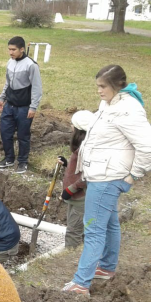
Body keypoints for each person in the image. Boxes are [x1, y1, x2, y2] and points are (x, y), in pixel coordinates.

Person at [63, 65, 151, 295]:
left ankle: (81, 282)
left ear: (117, 85)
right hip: (101, 173)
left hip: (107, 178)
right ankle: (107, 267)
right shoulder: (110, 103)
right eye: (98, 86)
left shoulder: (128, 110)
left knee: (93, 229)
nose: (99, 91)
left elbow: (147, 146)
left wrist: (134, 175)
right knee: (110, 223)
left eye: (103, 86)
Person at [0, 36, 43, 174]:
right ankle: (9, 158)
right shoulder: (10, 63)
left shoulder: (31, 65)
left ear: (22, 49)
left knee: (23, 135)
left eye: (14, 50)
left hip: (24, 107)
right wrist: (2, 97)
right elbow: (7, 82)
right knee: (5, 132)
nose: (11, 52)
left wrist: (33, 107)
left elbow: (36, 87)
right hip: (9, 105)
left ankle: (22, 162)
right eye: (9, 49)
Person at [57, 110, 94, 249]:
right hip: (75, 197)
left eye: (73, 125)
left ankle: (70, 259)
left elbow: (89, 174)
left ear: (78, 129)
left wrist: (70, 189)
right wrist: (67, 164)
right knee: (74, 229)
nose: (71, 127)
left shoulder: (88, 148)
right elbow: (80, 170)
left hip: (81, 198)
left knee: (74, 232)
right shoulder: (81, 146)